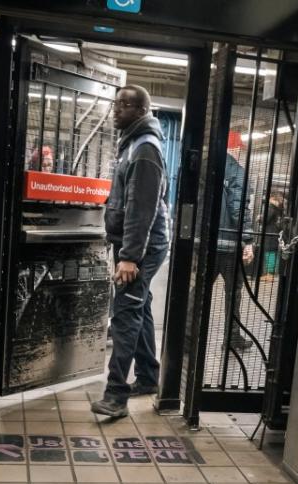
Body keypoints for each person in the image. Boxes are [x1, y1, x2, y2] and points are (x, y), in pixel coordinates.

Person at [90, 85, 170, 418]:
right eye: (115, 104)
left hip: (142, 245)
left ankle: (116, 395)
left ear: (141, 110)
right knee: (139, 306)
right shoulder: (133, 144)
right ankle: (149, 376)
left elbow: (142, 208)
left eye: (123, 105)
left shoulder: (145, 149)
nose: (115, 110)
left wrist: (129, 257)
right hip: (134, 242)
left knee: (125, 312)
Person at [217, 135, 254, 350]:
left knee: (199, 293)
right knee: (233, 294)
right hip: (230, 246)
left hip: (206, 244)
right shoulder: (237, 172)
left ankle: (185, 337)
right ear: (235, 149)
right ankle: (231, 337)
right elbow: (238, 208)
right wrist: (247, 239)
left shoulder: (206, 167)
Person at [258, 191, 287, 281]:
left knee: (269, 252)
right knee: (272, 253)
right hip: (275, 234)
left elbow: (266, 218)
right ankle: (270, 273)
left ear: (272, 197)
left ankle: (269, 274)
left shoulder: (271, 207)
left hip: (269, 233)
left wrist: (259, 218)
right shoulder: (280, 208)